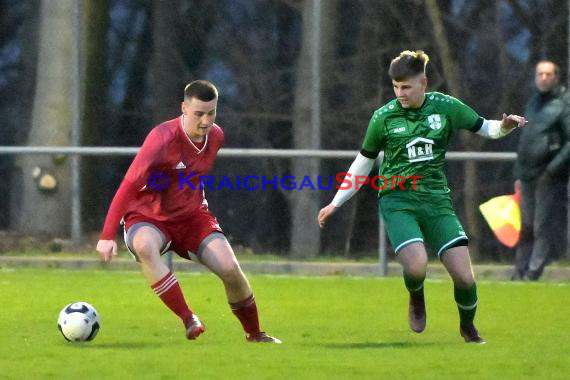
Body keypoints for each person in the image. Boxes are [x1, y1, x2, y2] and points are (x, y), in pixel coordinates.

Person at [317, 50, 527, 344]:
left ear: (423, 83)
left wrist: (504, 126)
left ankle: (468, 327)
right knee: (416, 266)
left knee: (465, 278)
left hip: (436, 201)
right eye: (395, 87)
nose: (399, 93)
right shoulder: (384, 117)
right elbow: (363, 163)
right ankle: (416, 296)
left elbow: (486, 128)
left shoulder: (445, 107)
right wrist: (335, 202)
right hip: (397, 200)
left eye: (406, 87)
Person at [96, 80, 281, 343]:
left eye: (211, 113)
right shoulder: (162, 138)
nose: (206, 121)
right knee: (145, 247)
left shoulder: (216, 136)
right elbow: (128, 186)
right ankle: (188, 318)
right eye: (198, 114)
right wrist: (106, 235)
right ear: (184, 108)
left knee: (230, 269)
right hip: (149, 216)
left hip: (192, 217)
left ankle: (255, 334)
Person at [512, 60, 570, 281]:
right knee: (526, 226)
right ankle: (520, 271)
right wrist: (518, 173)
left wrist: (553, 168)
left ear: (556, 77)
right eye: (540, 74)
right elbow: (525, 139)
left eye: (548, 74)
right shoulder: (534, 102)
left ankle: (533, 273)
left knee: (541, 226)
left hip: (548, 176)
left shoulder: (564, 103)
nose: (544, 78)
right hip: (527, 175)